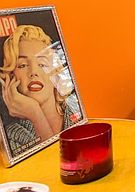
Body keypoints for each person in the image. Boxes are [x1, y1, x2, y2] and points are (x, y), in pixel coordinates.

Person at [0, 25, 78, 155]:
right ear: (11, 77)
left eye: (42, 64)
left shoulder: (75, 110)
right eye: (22, 65)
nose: (33, 72)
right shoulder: (13, 137)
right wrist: (35, 113)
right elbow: (54, 159)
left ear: (55, 72)